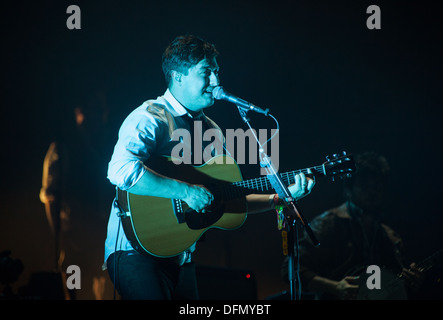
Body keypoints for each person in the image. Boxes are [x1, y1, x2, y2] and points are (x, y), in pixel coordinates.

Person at [103, 35, 315, 300]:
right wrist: (186, 192)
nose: (216, 81)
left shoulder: (211, 130)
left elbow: (226, 197)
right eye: (206, 73)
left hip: (182, 255)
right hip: (136, 253)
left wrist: (280, 198)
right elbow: (120, 170)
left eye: (216, 72)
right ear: (177, 76)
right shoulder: (150, 117)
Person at [281, 151, 423, 300]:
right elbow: (290, 269)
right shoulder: (328, 223)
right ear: (349, 189)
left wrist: (412, 283)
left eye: (377, 186)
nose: (372, 191)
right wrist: (335, 287)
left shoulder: (389, 236)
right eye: (364, 185)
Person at [40, 91, 115, 299]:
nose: (99, 117)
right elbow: (51, 197)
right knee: (74, 285)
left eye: (101, 111)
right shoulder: (63, 150)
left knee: (105, 288)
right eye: (94, 111)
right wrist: (58, 239)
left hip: (102, 238)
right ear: (79, 113)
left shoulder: (109, 149)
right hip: (75, 237)